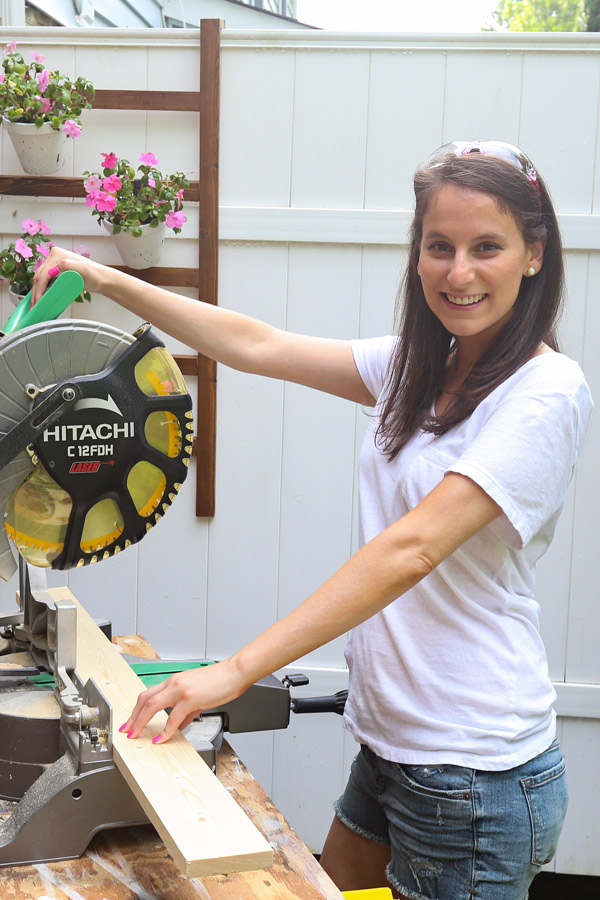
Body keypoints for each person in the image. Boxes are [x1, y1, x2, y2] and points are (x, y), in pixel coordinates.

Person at [32, 140, 593, 900]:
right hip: (395, 750)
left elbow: (413, 549)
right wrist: (106, 279)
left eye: (485, 247)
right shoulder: (415, 368)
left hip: (476, 776)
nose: (458, 272)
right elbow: (257, 344)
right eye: (439, 247)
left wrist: (231, 672)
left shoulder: (545, 391)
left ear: (534, 254)